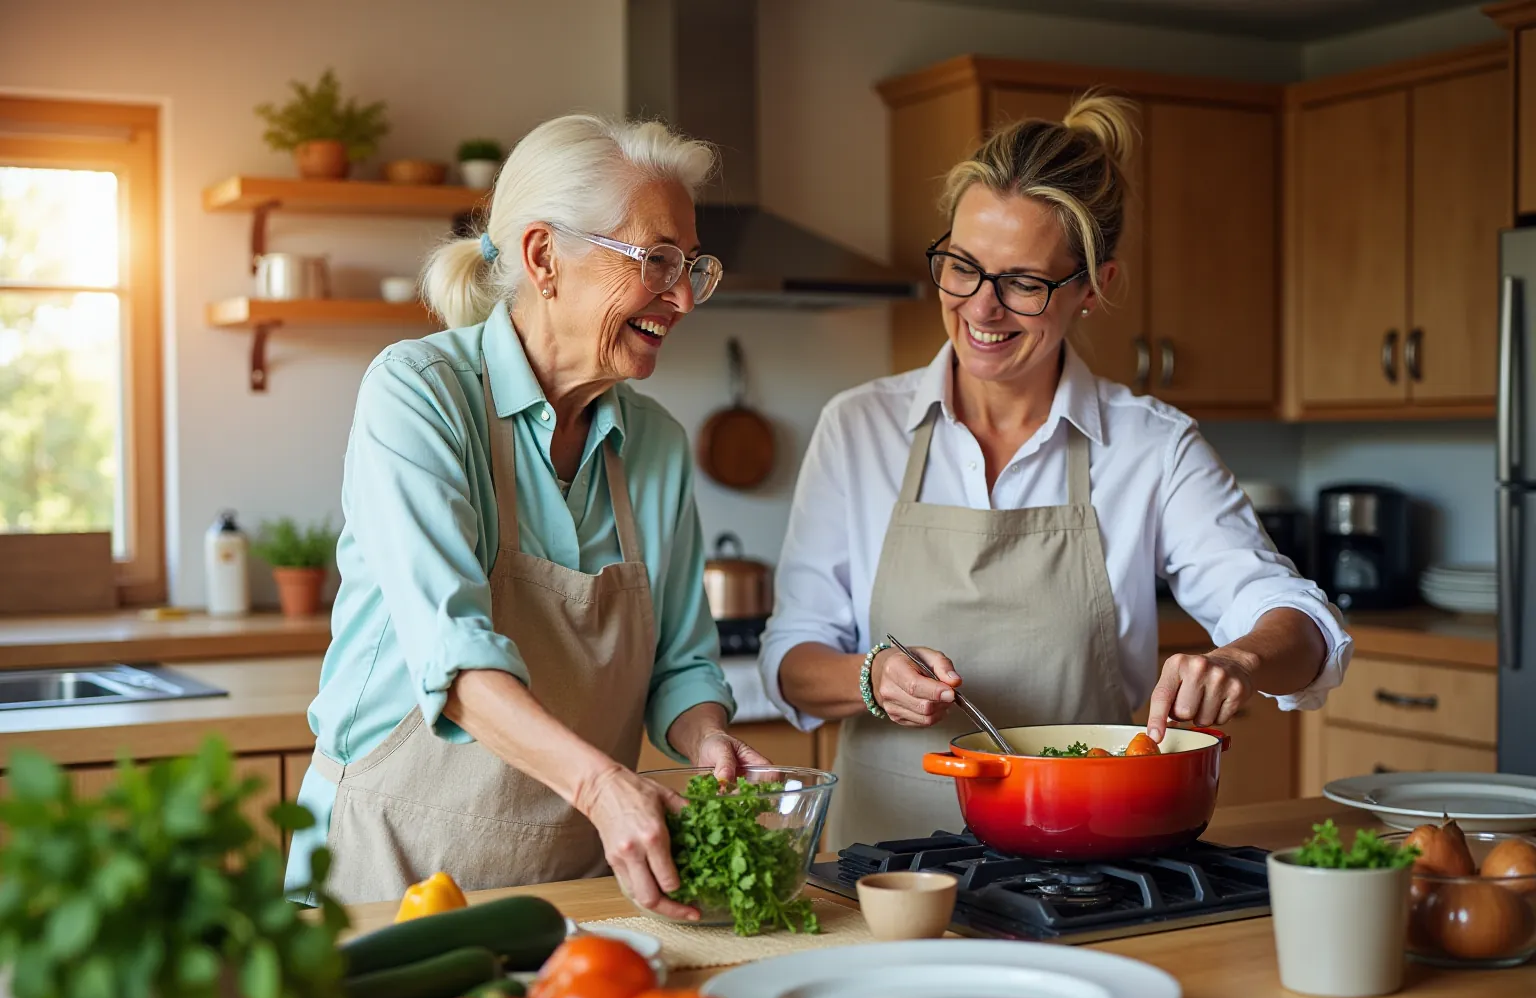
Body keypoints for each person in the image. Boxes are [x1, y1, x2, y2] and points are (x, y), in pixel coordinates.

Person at [760, 95, 1352, 849]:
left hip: (1090, 859)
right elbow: (790, 658)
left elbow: (1300, 622)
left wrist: (1239, 657)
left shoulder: (1152, 448)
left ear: (1094, 287)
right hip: (884, 874)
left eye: (1023, 282)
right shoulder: (859, 427)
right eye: (963, 268)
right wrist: (870, 678)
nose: (982, 307)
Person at [284, 115, 765, 917]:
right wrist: (606, 785)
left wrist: (708, 736)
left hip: (570, 885)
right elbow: (456, 661)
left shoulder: (655, 443)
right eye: (657, 261)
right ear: (545, 257)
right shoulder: (420, 394)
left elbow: (681, 668)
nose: (682, 296)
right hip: (385, 863)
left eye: (692, 266)